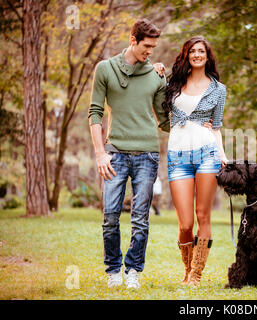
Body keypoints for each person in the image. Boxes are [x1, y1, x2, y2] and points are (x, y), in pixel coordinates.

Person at [88, 19, 169, 289]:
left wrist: (198, 122)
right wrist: (100, 154)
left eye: (154, 47)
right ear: (132, 40)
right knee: (110, 216)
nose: (150, 52)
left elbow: (165, 119)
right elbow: (95, 113)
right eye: (147, 46)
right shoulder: (105, 69)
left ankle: (133, 270)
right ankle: (113, 270)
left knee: (140, 218)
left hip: (147, 154)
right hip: (115, 153)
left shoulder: (156, 75)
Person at [163, 36, 228, 287]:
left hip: (207, 154)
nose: (197, 55)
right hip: (177, 156)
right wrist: (157, 68)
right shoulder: (174, 83)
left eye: (201, 51)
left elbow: (217, 126)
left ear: (207, 56)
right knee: (185, 223)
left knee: (203, 216)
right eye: (193, 51)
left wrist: (222, 154)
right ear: (186, 55)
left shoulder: (218, 89)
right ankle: (187, 267)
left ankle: (195, 275)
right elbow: (157, 101)